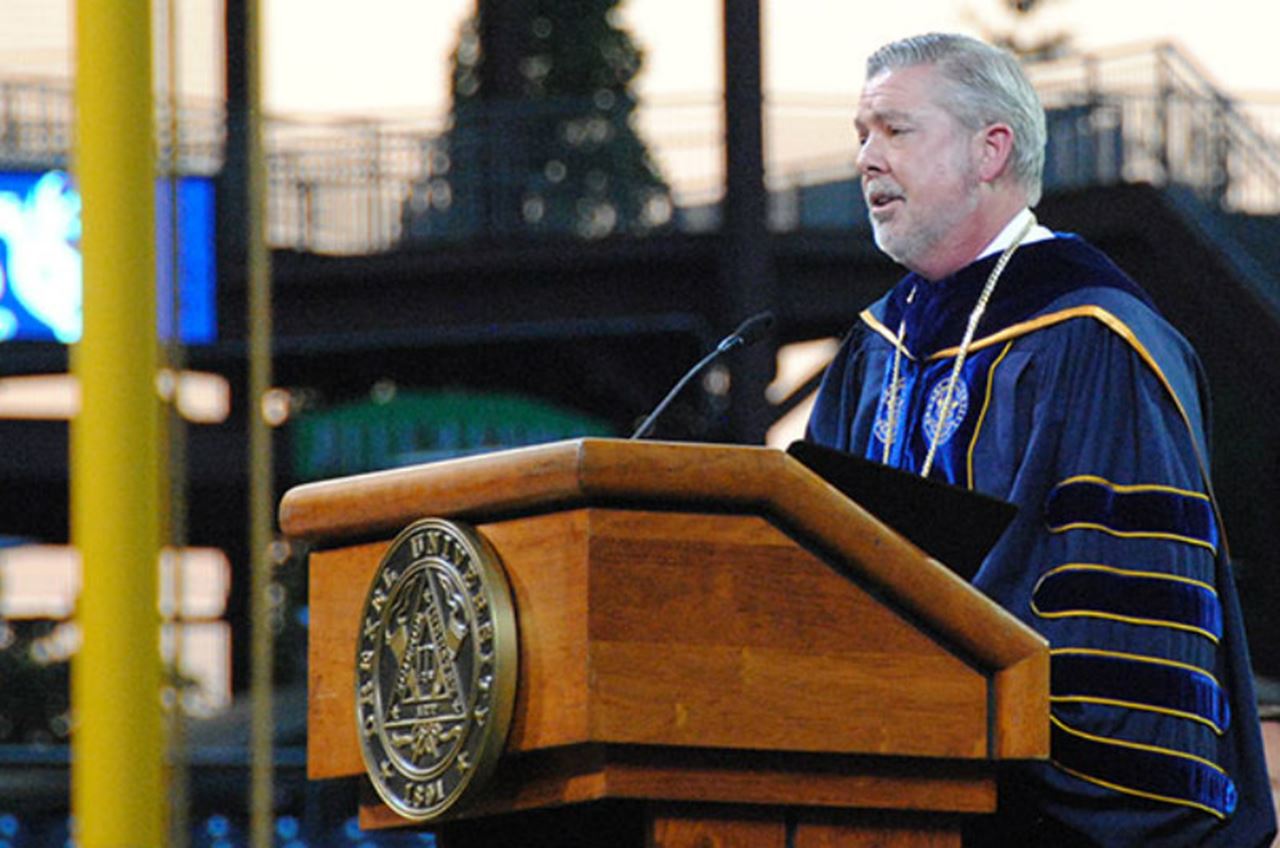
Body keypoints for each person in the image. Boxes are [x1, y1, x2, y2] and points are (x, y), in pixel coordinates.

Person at [805, 32, 1276, 847]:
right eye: (860, 135)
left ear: (992, 150)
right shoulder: (871, 353)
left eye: (894, 129)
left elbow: (1123, 619)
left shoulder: (1096, 338)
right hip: (877, 789)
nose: (866, 159)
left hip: (1037, 814)